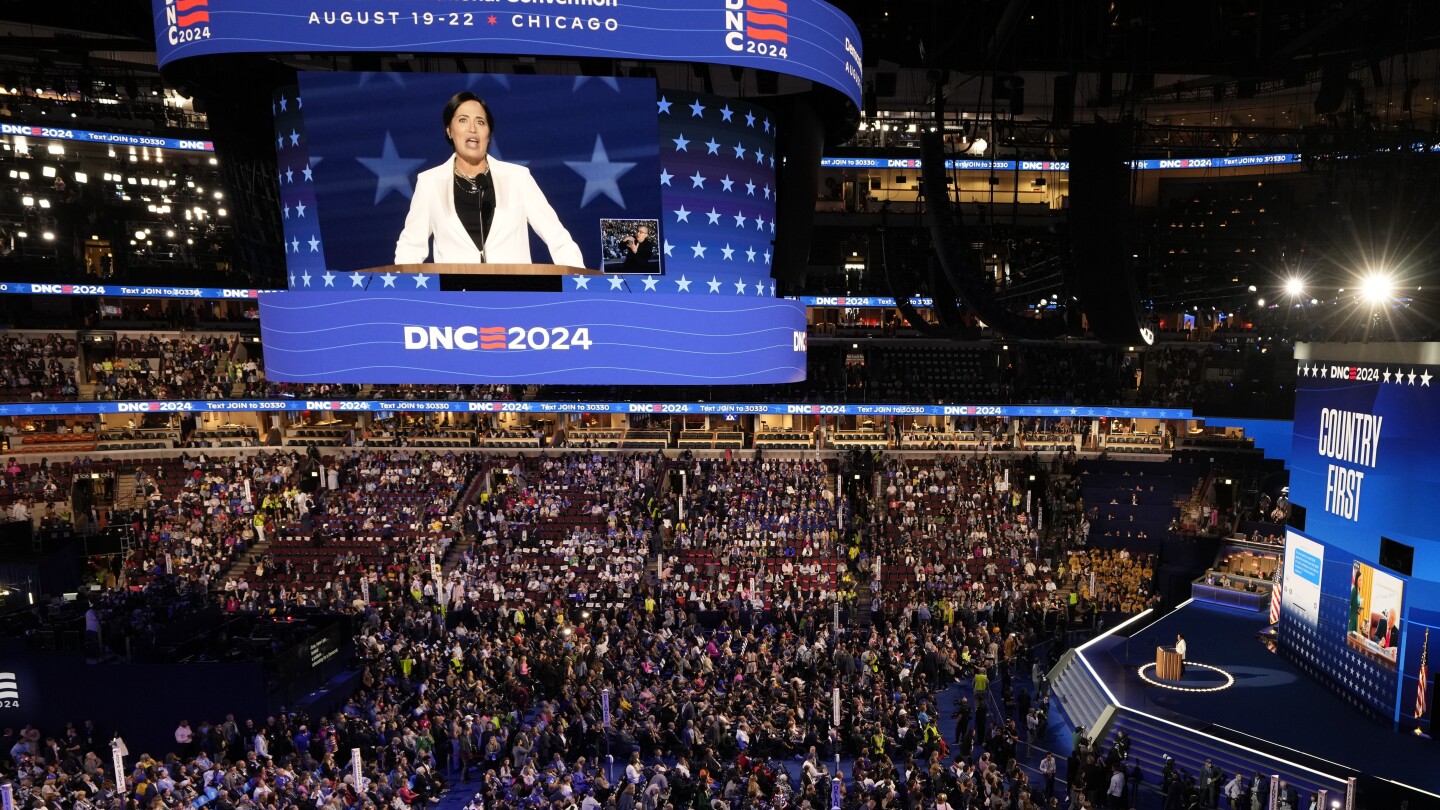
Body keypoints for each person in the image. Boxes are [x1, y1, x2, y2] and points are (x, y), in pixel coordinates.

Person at [394, 91, 584, 268]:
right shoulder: (429, 183)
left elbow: (557, 237)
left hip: (513, 297)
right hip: (454, 300)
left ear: (488, 134)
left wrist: (580, 284)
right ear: (449, 131)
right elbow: (410, 247)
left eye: (480, 122)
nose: (472, 129)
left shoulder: (518, 178)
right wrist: (403, 291)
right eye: (462, 120)